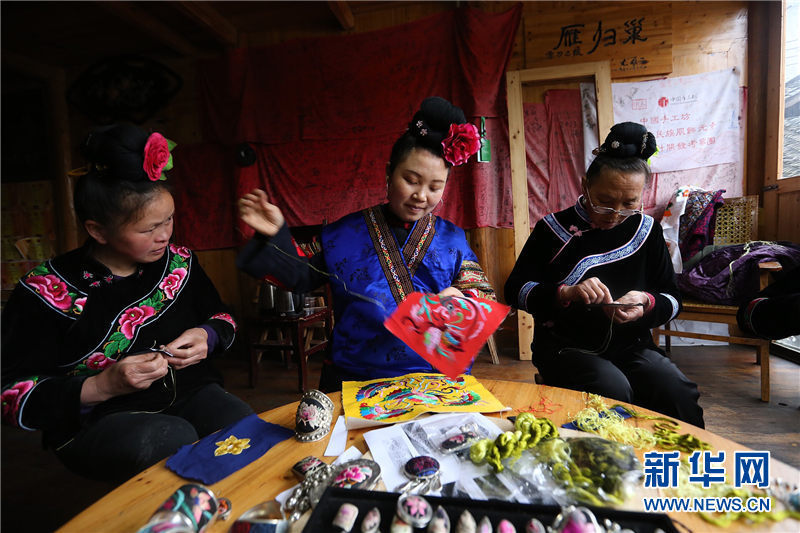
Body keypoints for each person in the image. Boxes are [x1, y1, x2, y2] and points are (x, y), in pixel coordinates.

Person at [1, 124, 254, 483]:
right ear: (98, 230)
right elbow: (9, 392)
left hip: (188, 391)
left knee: (242, 429)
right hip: (96, 417)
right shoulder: (46, 289)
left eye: (168, 219)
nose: (165, 234)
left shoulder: (179, 262)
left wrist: (206, 335)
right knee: (173, 441)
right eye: (149, 228)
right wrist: (102, 386)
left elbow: (221, 315)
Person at [237, 97, 495, 391]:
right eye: (411, 180)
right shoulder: (345, 233)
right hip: (355, 375)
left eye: (435, 187)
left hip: (432, 379)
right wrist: (276, 235)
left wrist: (461, 299)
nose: (422, 195)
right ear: (389, 173)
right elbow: (301, 275)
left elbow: (482, 294)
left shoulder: (453, 238)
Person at [504, 122, 705, 428]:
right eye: (606, 201)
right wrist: (565, 293)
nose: (616, 214)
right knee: (611, 389)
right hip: (564, 346)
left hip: (631, 344)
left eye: (629, 203)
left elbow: (673, 299)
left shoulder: (646, 231)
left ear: (642, 194)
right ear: (585, 185)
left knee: (675, 390)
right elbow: (514, 290)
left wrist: (646, 303)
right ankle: (606, 469)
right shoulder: (553, 230)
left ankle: (686, 468)